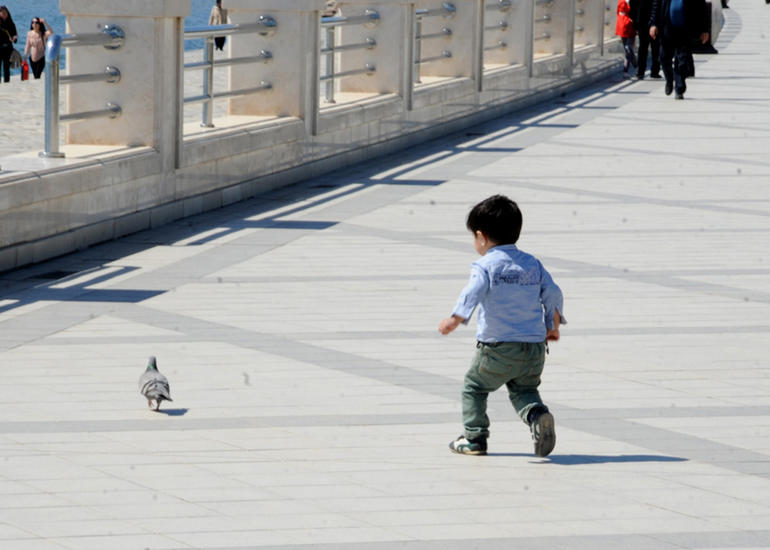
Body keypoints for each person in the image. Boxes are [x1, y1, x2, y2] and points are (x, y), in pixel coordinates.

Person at [439, 195, 565, 457]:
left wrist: (456, 318)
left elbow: (472, 291)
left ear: (481, 237)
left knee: (474, 387)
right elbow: (552, 293)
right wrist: (551, 324)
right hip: (534, 348)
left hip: (498, 347)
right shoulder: (532, 263)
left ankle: (474, 438)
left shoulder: (485, 265)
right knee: (525, 389)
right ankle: (537, 415)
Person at [650, 0, 710, 99]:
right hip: (667, 28)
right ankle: (669, 80)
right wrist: (653, 24)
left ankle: (679, 88)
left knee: (682, 60)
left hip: (685, 29)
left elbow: (701, 7)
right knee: (664, 58)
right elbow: (656, 5)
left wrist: (705, 29)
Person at [630, 0, 661, 79]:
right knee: (652, 47)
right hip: (647, 21)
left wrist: (634, 20)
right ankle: (652, 71)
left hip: (643, 20)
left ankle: (642, 72)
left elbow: (633, 4)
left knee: (645, 47)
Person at [616, 0, 637, 76]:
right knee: (628, 49)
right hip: (625, 27)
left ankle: (627, 70)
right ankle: (635, 66)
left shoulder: (622, 2)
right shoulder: (623, 2)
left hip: (626, 27)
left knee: (628, 49)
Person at [0, 5, 18, 84]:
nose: (4, 14)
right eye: (2, 13)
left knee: (6, 67)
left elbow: (15, 35)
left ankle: (6, 82)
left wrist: (13, 38)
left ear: (8, 13)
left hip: (8, 49)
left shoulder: (11, 23)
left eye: (5, 13)